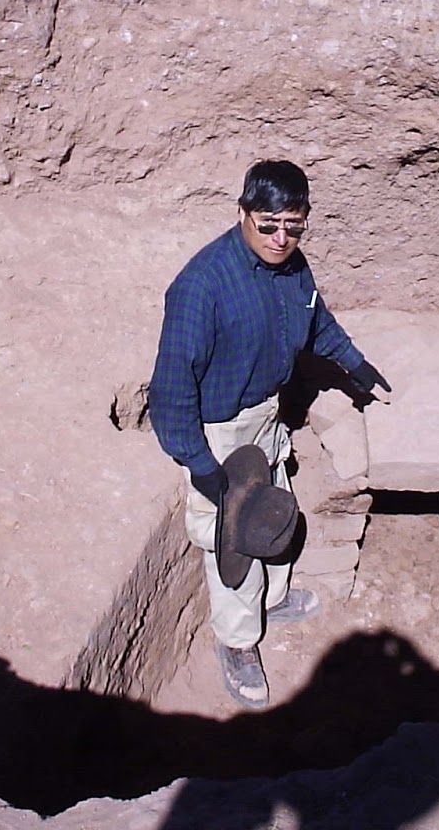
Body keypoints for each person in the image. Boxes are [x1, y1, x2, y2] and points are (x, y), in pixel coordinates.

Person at [149, 160, 390, 709]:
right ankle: (236, 642)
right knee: (230, 536)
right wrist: (202, 463)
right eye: (268, 224)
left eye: (294, 226)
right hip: (221, 425)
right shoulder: (200, 287)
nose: (282, 238)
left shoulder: (292, 266)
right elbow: (170, 389)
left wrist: (355, 365)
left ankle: (273, 599)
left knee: (274, 504)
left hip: (267, 412)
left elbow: (316, 320)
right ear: (242, 214)